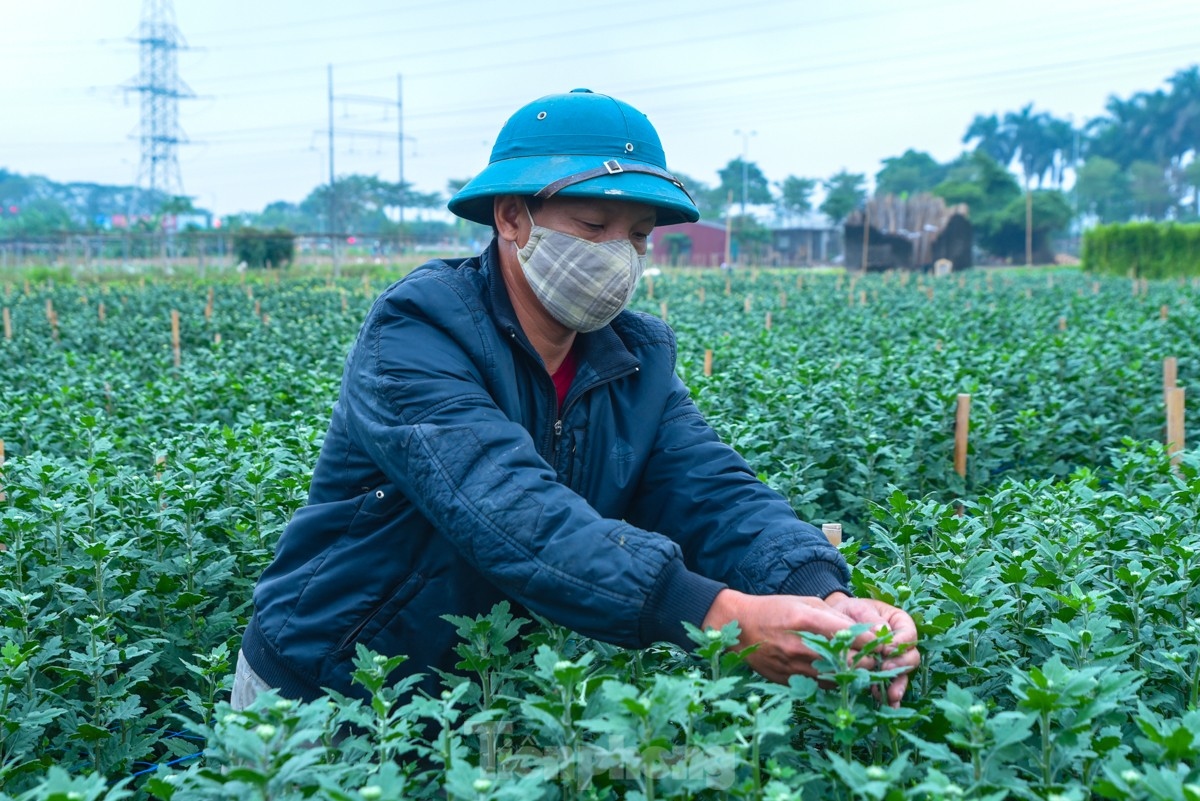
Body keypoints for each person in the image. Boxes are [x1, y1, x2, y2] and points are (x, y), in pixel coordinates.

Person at [232, 89, 919, 712]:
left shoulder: (634, 360)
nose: (620, 255)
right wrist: (718, 615)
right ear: (512, 217)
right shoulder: (419, 330)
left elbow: (712, 490)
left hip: (483, 697)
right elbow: (509, 508)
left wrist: (822, 596)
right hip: (327, 693)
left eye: (639, 234)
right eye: (594, 225)